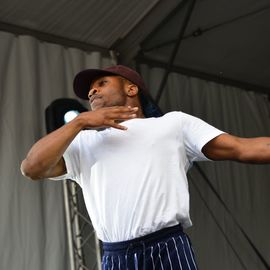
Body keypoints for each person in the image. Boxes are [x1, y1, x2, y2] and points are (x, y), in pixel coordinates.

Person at [21, 65, 270, 270]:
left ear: (131, 88)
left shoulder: (173, 124)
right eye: (89, 89)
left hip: (167, 248)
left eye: (102, 82)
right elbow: (31, 168)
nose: (92, 91)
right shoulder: (84, 142)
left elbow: (242, 148)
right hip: (115, 257)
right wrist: (80, 121)